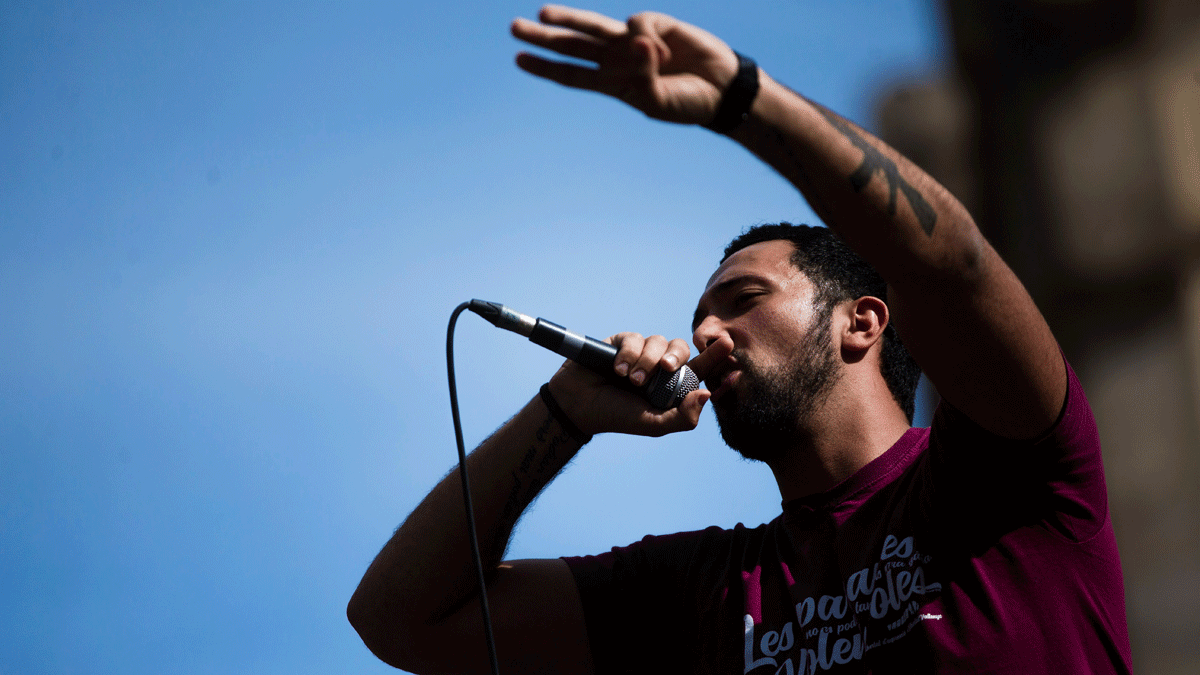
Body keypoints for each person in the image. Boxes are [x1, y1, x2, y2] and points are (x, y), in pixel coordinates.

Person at [347, 5, 1132, 673]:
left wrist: (744, 100)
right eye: (698, 317)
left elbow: (949, 264)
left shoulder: (999, 469)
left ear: (862, 320)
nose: (704, 334)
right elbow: (401, 620)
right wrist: (561, 414)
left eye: (743, 301)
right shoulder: (703, 589)